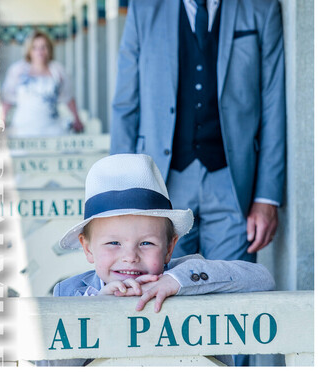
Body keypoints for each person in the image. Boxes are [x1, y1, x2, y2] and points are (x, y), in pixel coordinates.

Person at [111, 0, 285, 265]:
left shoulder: (262, 12)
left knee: (234, 293)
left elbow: (274, 107)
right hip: (161, 181)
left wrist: (267, 197)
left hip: (234, 182)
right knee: (159, 295)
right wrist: (122, 198)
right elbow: (126, 107)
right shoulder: (144, 13)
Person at [38, 153, 275, 366]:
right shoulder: (70, 294)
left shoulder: (189, 277)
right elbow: (51, 365)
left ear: (169, 247)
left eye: (146, 243)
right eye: (114, 243)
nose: (130, 257)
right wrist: (95, 310)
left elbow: (263, 279)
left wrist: (176, 281)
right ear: (87, 248)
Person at [1, 31, 84, 137]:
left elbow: (68, 97)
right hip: (23, 129)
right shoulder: (17, 70)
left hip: (52, 129)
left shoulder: (57, 70)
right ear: (29, 50)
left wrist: (77, 119)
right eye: (35, 47)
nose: (39, 51)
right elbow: (8, 98)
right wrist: (2, 119)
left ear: (49, 49)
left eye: (43, 47)